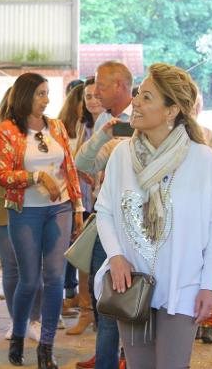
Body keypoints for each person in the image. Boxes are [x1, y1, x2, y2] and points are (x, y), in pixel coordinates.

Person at [94, 63, 212, 368]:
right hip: (131, 283)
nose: (135, 102)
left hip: (183, 286)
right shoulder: (122, 155)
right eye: (138, 94)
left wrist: (210, 285)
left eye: (147, 97)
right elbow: (105, 211)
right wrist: (115, 256)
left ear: (171, 110)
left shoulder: (201, 158)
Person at [0, 72, 84, 369]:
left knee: (55, 278)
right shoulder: (7, 130)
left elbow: (69, 167)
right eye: (40, 94)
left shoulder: (56, 126)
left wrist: (78, 207)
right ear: (25, 96)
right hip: (24, 211)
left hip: (59, 209)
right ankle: (19, 333)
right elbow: (3, 175)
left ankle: (47, 347)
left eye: (47, 94)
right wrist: (36, 176)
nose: (46, 100)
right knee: (29, 280)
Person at [74, 61, 134, 369]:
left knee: (133, 298)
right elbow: (84, 162)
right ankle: (107, 360)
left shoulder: (142, 118)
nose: (95, 92)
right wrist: (103, 136)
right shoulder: (104, 122)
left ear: (121, 85)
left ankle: (126, 358)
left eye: (102, 85)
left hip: (136, 224)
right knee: (106, 300)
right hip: (104, 218)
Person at [0, 87, 43, 343]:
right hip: (2, 208)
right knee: (11, 267)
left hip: (35, 207)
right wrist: (23, 172)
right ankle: (17, 320)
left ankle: (36, 319)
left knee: (34, 268)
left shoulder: (43, 131)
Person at [66, 77, 104, 336]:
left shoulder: (116, 126)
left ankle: (103, 313)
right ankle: (86, 311)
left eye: (96, 96)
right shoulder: (81, 127)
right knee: (83, 259)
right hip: (82, 201)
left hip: (102, 201)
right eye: (87, 96)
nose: (92, 101)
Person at [193, 92, 212, 344]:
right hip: (187, 209)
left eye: (196, 105)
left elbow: (211, 169)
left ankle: (210, 321)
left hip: (205, 202)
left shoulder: (206, 134)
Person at [58, 83, 86, 313]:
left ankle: (73, 293)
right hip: (69, 195)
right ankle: (68, 291)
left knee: (77, 245)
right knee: (68, 246)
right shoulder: (63, 128)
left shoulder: (88, 126)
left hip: (82, 194)